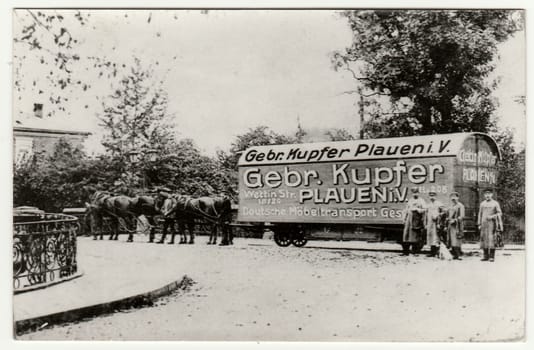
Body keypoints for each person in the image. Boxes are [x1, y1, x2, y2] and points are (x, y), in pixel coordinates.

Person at [478, 189, 503, 262]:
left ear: (492, 195)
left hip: (492, 224)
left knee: (491, 240)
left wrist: (492, 216)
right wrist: (479, 224)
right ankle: (485, 256)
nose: (487, 195)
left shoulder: (495, 203)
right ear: (484, 195)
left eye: (489, 194)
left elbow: (499, 213)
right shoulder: (482, 204)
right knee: (484, 239)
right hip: (483, 224)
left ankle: (492, 256)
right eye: (486, 194)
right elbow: (480, 214)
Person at [402, 187, 426, 256]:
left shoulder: (421, 200)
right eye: (414, 193)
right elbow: (406, 209)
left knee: (414, 236)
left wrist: (418, 209)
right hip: (408, 220)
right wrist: (404, 219)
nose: (415, 194)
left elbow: (424, 209)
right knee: (406, 235)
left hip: (416, 220)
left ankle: (414, 251)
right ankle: (405, 251)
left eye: (416, 193)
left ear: (418, 193)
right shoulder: (410, 200)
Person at [425, 191, 445, 257]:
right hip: (430, 223)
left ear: (435, 196)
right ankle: (432, 252)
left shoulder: (439, 204)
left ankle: (437, 252)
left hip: (436, 223)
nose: (432, 197)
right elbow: (426, 214)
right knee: (430, 237)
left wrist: (438, 215)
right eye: (430, 196)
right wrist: (425, 223)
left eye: (433, 196)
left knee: (436, 237)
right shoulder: (428, 205)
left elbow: (444, 212)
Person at [447, 192, 465, 260]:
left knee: (457, 240)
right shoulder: (450, 206)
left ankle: (458, 254)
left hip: (457, 225)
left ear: (458, 198)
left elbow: (462, 216)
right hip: (450, 226)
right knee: (451, 240)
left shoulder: (460, 206)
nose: (453, 198)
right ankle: (454, 254)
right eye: (452, 197)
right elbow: (448, 214)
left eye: (455, 197)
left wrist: (455, 220)